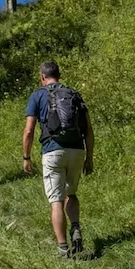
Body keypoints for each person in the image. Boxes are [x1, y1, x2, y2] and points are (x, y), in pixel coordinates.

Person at [22, 61, 95, 258]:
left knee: (56, 200)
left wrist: (26, 157)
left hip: (52, 151)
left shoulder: (38, 95)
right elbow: (88, 129)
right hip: (77, 150)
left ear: (42, 77)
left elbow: (29, 131)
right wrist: (89, 158)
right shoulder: (74, 94)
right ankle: (76, 227)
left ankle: (63, 249)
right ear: (59, 75)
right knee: (71, 193)